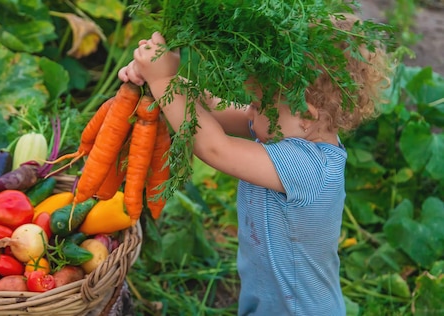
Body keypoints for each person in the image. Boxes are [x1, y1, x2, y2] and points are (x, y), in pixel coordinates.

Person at [118, 13, 391, 316]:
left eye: (259, 105)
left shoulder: (308, 168)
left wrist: (162, 80)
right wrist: (163, 78)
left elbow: (214, 148)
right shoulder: (285, 130)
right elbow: (212, 106)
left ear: (307, 116)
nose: (248, 111)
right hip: (266, 301)